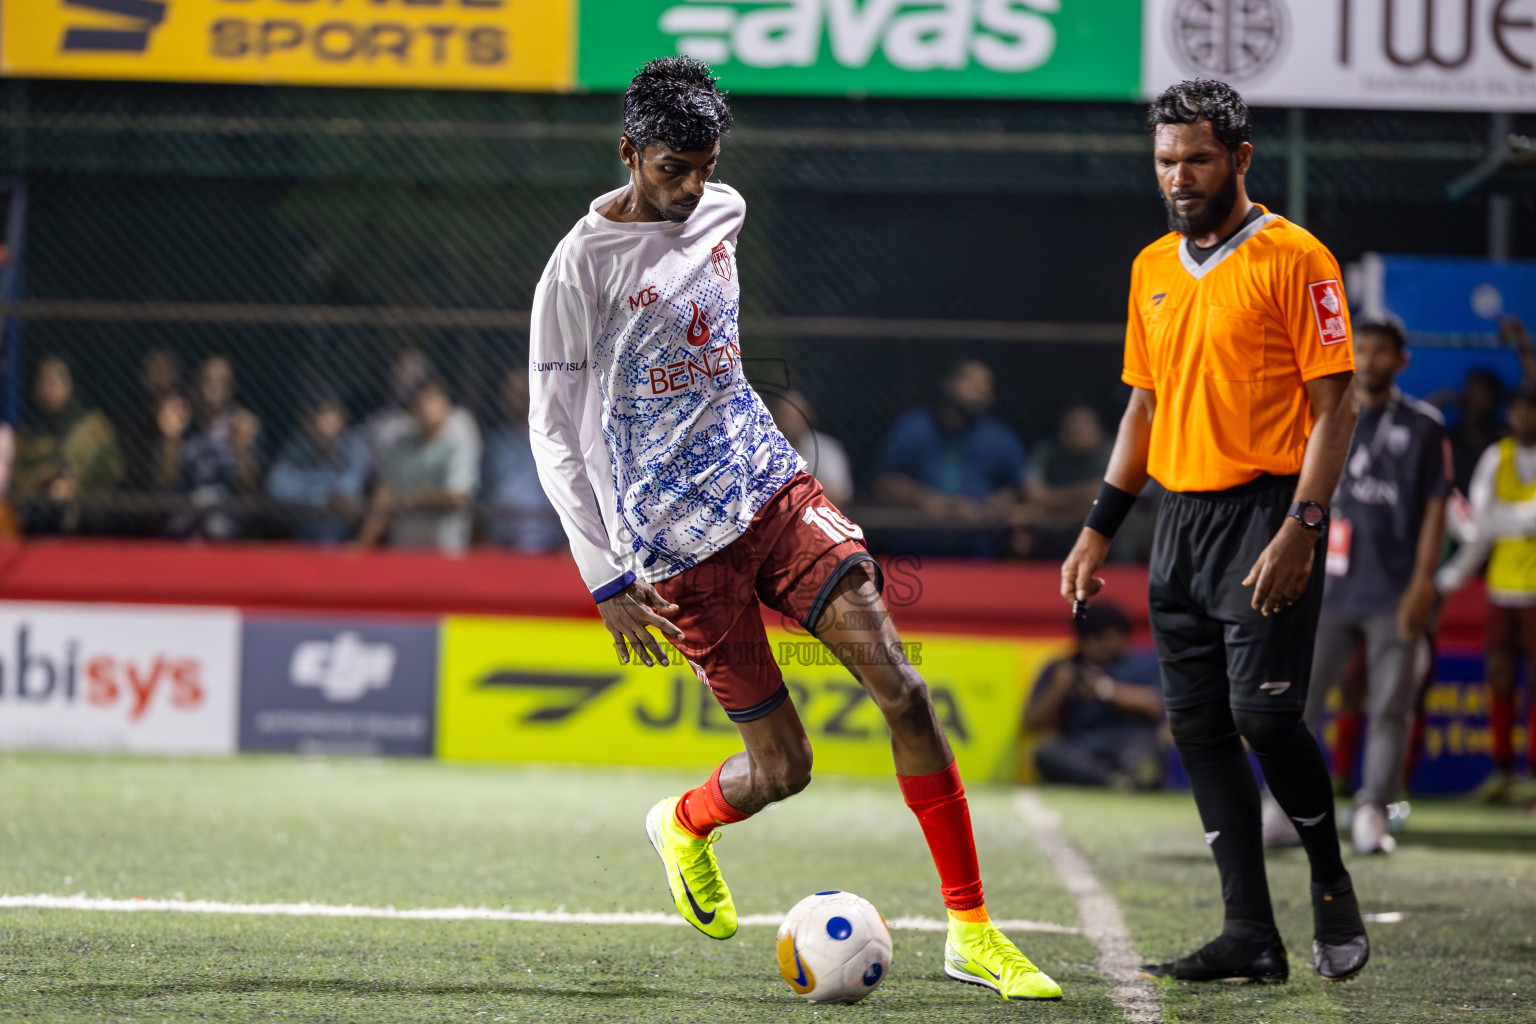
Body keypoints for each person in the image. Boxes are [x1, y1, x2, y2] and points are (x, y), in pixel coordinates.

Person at [528, 57, 1060, 1001]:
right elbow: (553, 430)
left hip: (768, 488)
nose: (691, 189)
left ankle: (972, 931)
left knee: (904, 689)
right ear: (628, 154)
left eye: (705, 167)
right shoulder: (580, 267)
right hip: (675, 543)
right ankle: (685, 821)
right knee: (785, 768)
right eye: (672, 170)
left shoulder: (724, 209)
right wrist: (603, 575)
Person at [1060, 79, 1368, 984]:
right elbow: (1142, 409)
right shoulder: (1152, 267)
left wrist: (1304, 524)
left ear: (1239, 157)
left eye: (1197, 158)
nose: (1179, 176)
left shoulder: (1297, 257)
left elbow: (1338, 406)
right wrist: (1097, 530)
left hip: (1268, 513)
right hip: (1180, 523)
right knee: (1197, 729)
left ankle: (1331, 881)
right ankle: (1250, 935)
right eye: (1165, 160)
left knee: (1263, 718)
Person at [1263, 316, 1449, 855]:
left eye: (1380, 351)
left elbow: (1437, 507)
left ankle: (1373, 811)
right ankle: (1285, 809)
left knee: (1391, 705)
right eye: (1360, 349)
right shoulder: (1322, 410)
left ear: (1402, 360)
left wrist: (1423, 583)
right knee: (1298, 704)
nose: (1367, 360)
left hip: (1393, 592)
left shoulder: (1424, 425)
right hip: (1325, 589)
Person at [1437, 380, 1536, 810]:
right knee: (1499, 678)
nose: (1522, 417)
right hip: (1501, 589)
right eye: (1518, 409)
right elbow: (1479, 523)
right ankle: (1502, 770)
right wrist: (1450, 578)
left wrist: (1500, 520)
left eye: (1530, 410)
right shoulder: (1498, 456)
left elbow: (1501, 520)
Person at [871, 358, 1027, 556]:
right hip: (916, 552)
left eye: (986, 385)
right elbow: (883, 484)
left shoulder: (999, 437)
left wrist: (992, 507)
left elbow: (1021, 490)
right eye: (970, 381)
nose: (980, 390)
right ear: (948, 382)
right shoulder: (912, 428)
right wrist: (927, 500)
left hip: (980, 552)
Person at [1023, 603, 1164, 789]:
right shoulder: (1062, 668)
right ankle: (1117, 781)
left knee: (1145, 751)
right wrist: (1058, 688)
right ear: (1085, 640)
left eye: (1115, 637)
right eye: (1104, 638)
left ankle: (1138, 774)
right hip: (1081, 746)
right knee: (1047, 752)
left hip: (1129, 740)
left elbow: (1154, 705)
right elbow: (1031, 723)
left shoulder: (1141, 664)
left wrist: (1105, 690)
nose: (1112, 644)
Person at [359, 377, 479, 554]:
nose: (426, 407)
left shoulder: (458, 441)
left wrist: (415, 498)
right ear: (412, 410)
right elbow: (384, 497)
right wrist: (359, 547)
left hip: (445, 551)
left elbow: (458, 496)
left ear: (446, 406)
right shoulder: (400, 445)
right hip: (404, 550)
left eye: (432, 400)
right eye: (420, 402)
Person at [153, 355, 262, 539]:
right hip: (185, 508)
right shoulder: (183, 419)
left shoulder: (241, 422)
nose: (214, 386)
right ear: (198, 384)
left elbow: (250, 485)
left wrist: (241, 450)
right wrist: (172, 439)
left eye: (221, 381)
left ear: (232, 388)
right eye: (208, 380)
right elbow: (166, 479)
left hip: (225, 512)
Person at [11, 356, 125, 533]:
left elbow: (113, 473)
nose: (47, 388)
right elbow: (15, 481)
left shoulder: (93, 426)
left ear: (68, 386)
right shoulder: (26, 432)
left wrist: (74, 487)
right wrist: (42, 475)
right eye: (42, 380)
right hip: (33, 509)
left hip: (85, 511)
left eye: (54, 382)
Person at [266, 392, 371, 544]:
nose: (331, 424)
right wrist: (322, 498)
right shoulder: (298, 449)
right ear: (309, 422)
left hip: (343, 530)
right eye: (323, 417)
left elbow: (350, 488)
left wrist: (311, 495)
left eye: (336, 418)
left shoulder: (355, 446)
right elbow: (277, 486)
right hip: (306, 526)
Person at [482, 367, 564, 552]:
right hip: (502, 540)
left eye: (523, 393)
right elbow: (486, 492)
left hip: (547, 539)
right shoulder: (496, 442)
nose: (517, 399)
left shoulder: (553, 440)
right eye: (512, 392)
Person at [1020, 403, 1112, 559]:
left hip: (1098, 536)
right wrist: (1080, 498)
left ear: (1099, 429)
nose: (1077, 430)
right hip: (1051, 532)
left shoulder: (1112, 453)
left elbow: (1101, 499)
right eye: (1071, 426)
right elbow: (1034, 495)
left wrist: (1048, 512)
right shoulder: (1048, 453)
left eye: (1084, 425)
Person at [768, 389, 853, 506]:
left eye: (796, 415)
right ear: (775, 417)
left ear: (807, 416)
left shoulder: (827, 449)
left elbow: (839, 493)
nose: (791, 422)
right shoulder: (763, 449)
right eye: (786, 415)